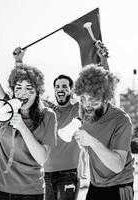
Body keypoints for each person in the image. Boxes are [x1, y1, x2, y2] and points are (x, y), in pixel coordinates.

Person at [0, 12, 57, 199]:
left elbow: (42, 158)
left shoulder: (48, 115)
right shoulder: (4, 106)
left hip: (30, 193)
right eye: (18, 88)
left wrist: (22, 127)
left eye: (29, 88)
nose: (22, 93)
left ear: (37, 91)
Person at [14, 48, 87, 200]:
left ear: (72, 90)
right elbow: (25, 92)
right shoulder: (47, 111)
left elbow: (91, 93)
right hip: (44, 174)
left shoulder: (77, 109)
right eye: (57, 87)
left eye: (65, 87)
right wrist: (19, 62)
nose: (60, 89)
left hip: (69, 174)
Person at [73, 65, 134, 200]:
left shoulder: (122, 120)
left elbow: (118, 165)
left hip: (119, 186)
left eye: (92, 99)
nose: (87, 105)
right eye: (83, 99)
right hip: (95, 185)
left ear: (105, 98)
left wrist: (91, 141)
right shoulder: (85, 114)